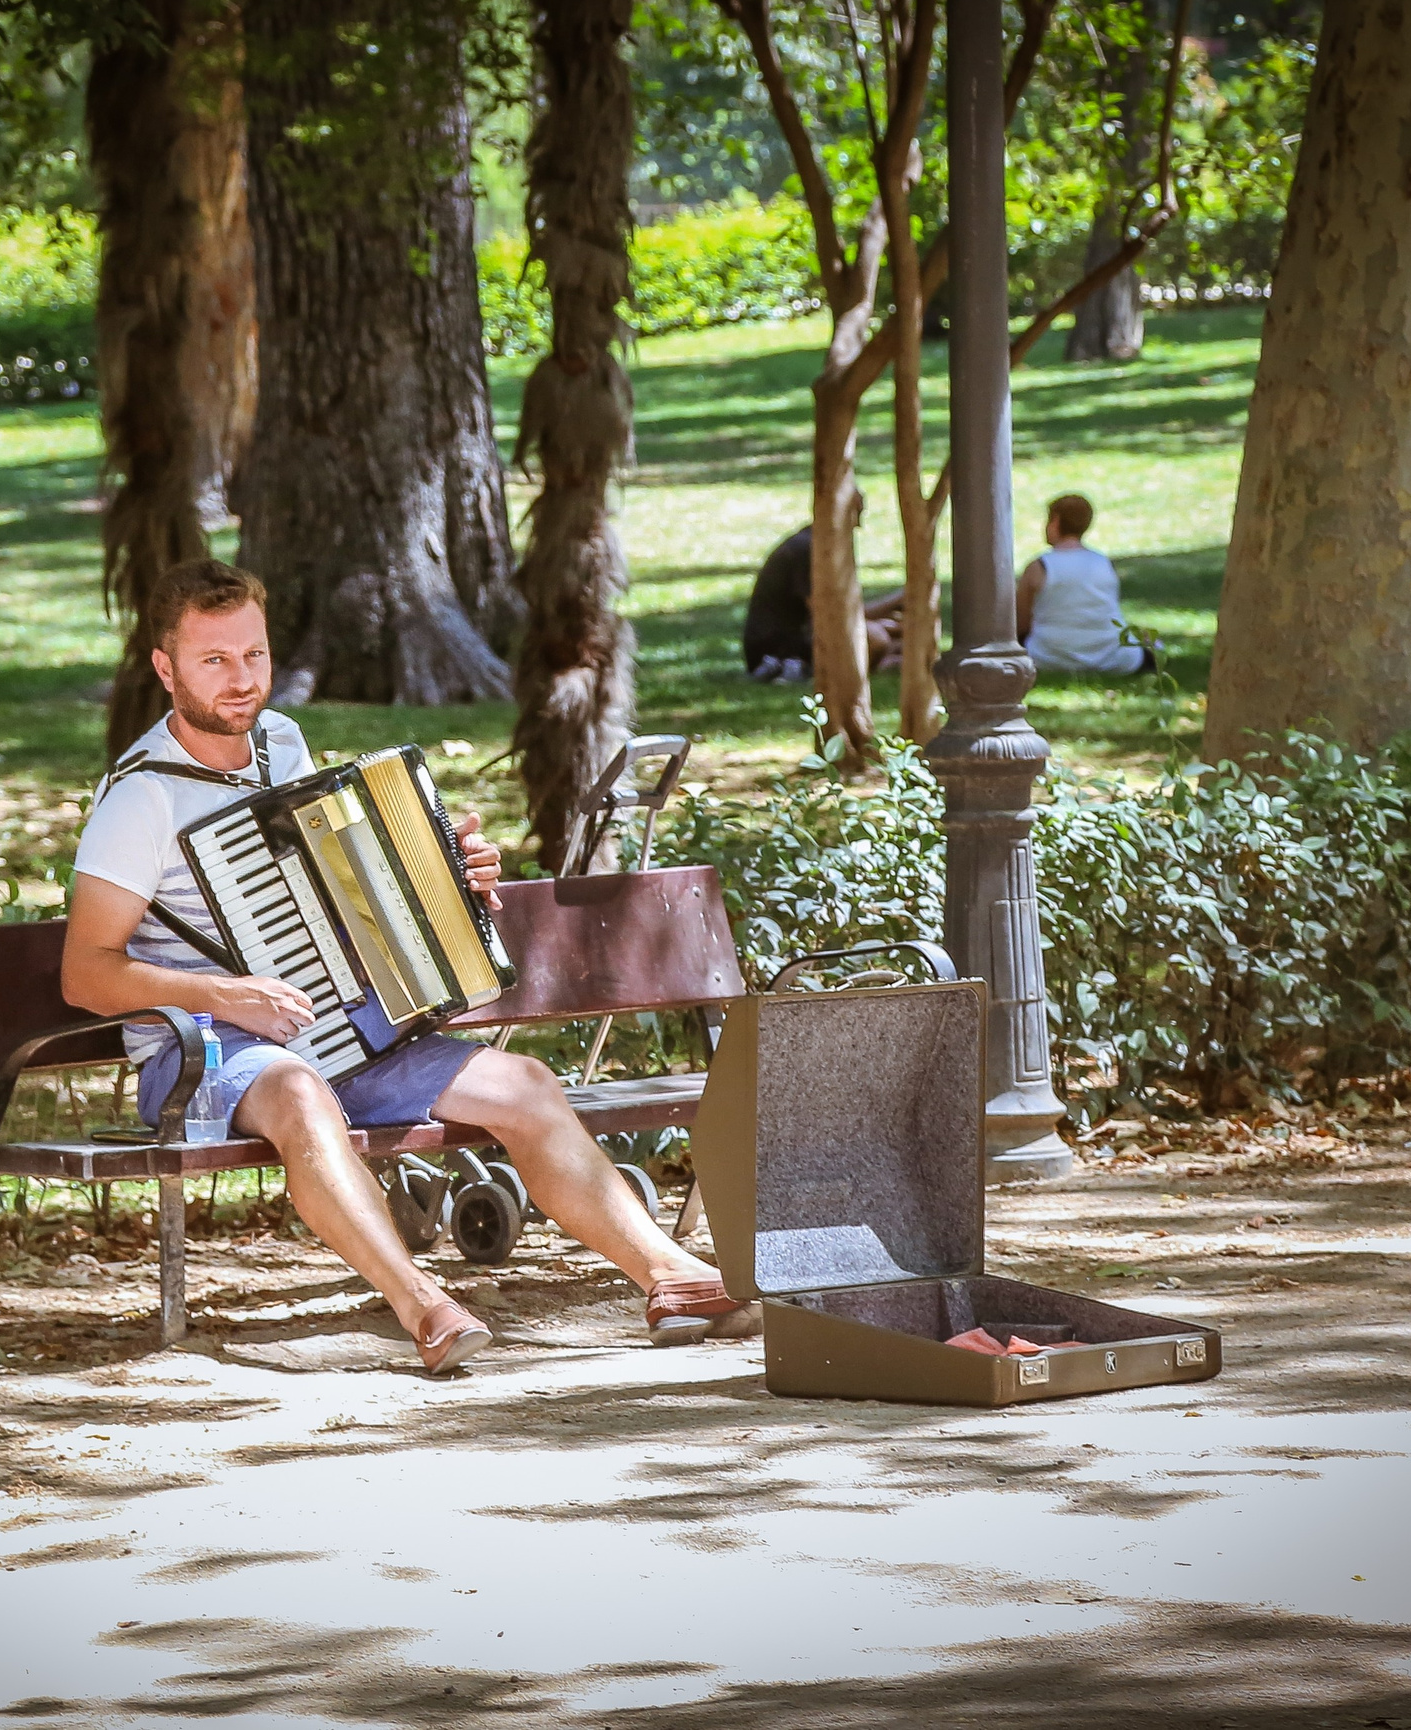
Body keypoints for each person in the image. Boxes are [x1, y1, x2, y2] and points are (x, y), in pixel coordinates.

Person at [62, 558, 755, 1376]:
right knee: (295, 1091)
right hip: (201, 1052)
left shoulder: (282, 745)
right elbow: (86, 974)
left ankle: (671, 1277)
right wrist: (223, 995)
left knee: (525, 1085)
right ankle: (423, 1304)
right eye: (214, 660)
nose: (241, 679)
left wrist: (448, 883)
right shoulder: (139, 798)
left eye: (254, 654)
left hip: (331, 1026)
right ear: (165, 667)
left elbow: (330, 898)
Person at [742, 512, 904, 683]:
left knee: (900, 634)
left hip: (808, 637)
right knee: (876, 637)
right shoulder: (809, 550)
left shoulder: (816, 544)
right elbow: (831, 619)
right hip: (779, 650)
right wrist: (897, 601)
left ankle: (877, 663)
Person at [1017, 494, 1153, 676]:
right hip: (1110, 656)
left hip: (1048, 656)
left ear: (1055, 521)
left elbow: (1021, 622)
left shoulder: (1039, 566)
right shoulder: (1104, 563)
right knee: (1149, 643)